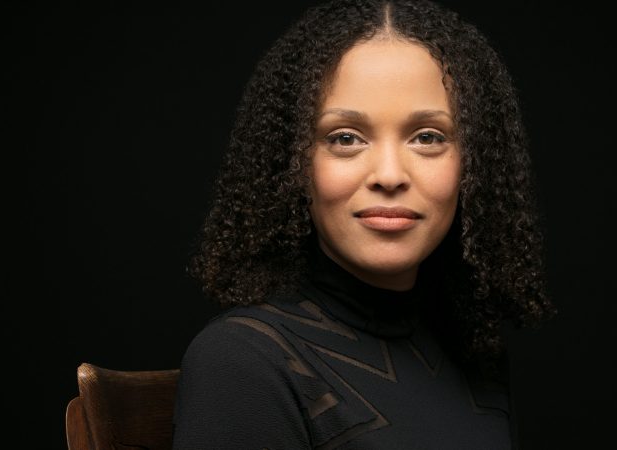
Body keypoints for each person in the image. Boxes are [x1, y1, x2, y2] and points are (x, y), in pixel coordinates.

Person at [172, 0, 556, 448]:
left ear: (475, 163)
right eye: (346, 139)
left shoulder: (475, 356)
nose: (389, 175)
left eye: (428, 137)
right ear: (294, 164)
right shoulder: (242, 362)